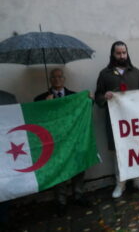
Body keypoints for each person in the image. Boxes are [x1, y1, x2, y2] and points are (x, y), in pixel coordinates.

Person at [95, 41, 139, 198]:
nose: (121, 56)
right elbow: (98, 97)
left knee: (137, 150)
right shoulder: (104, 74)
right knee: (118, 152)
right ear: (113, 54)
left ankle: (138, 180)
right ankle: (120, 183)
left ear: (127, 53)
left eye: (124, 53)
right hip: (115, 122)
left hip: (134, 122)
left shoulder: (136, 72)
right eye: (118, 53)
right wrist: (104, 97)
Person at [34, 68, 89, 216]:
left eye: (60, 76)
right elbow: (37, 120)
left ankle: (78, 195)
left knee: (78, 167)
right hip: (54, 142)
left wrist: (88, 98)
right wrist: (44, 106)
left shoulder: (75, 96)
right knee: (59, 171)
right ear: (50, 80)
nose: (57, 79)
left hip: (73, 140)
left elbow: (87, 107)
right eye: (54, 77)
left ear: (64, 79)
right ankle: (61, 201)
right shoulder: (40, 99)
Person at [0, 90, 17, 230]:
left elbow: (18, 120)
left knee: (4, 184)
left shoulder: (8, 97)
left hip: (5, 151)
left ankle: (4, 219)